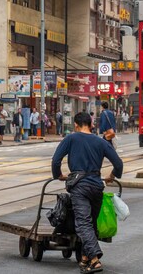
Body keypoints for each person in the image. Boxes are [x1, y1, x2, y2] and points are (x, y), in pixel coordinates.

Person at [51, 111, 124, 274]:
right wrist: (112, 176)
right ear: (91, 125)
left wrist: (59, 176)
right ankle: (85, 259)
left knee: (83, 223)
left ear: (76, 125)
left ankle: (95, 259)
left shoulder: (71, 138)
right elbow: (118, 164)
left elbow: (56, 160)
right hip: (97, 185)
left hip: (79, 186)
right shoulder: (101, 142)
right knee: (90, 224)